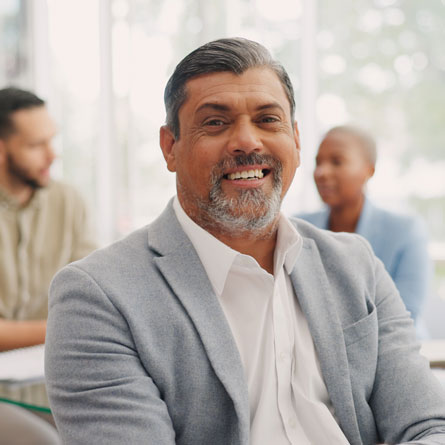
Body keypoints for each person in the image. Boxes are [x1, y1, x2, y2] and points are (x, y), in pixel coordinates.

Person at [45, 38, 445, 445]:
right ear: (170, 148)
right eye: (216, 123)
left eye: (268, 119)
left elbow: (429, 425)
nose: (247, 142)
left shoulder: (356, 264)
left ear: (297, 141)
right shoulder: (97, 296)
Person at [296, 125, 431, 323]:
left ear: (368, 171)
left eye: (337, 161)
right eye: (318, 163)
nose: (321, 172)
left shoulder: (405, 231)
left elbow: (406, 313)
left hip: (390, 349)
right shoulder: (299, 227)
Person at [0, 86, 97, 352]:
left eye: (51, 140)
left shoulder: (68, 201)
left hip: (52, 378)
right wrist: (63, 326)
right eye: (35, 145)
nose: (52, 155)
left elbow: (93, 301)